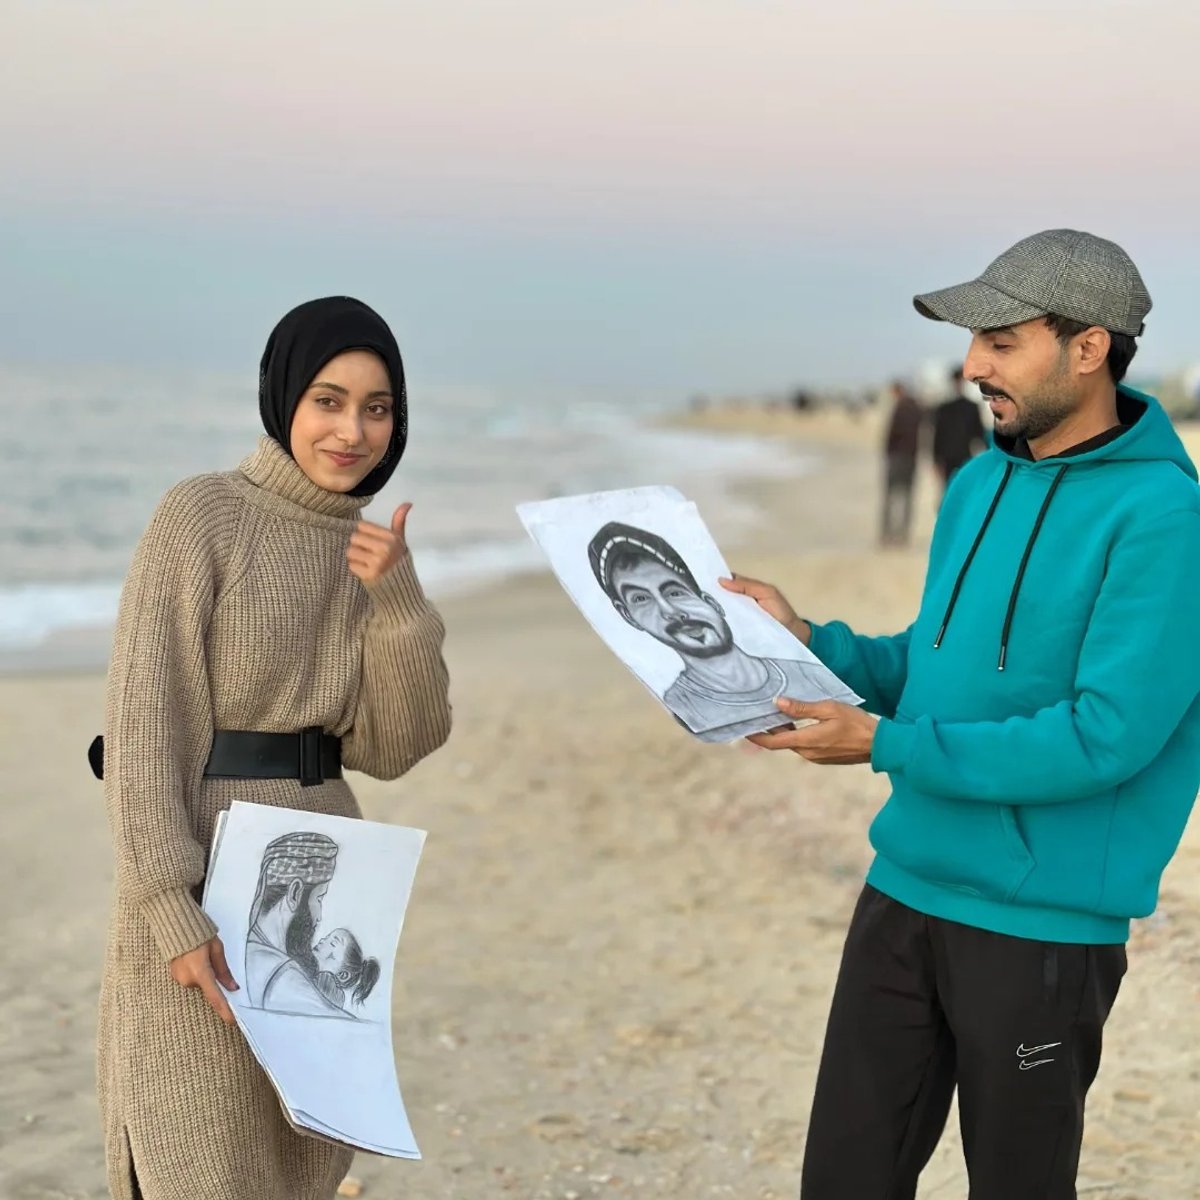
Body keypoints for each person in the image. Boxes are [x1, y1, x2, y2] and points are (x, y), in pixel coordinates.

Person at [722, 229, 1200, 1199]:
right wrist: (811, 638)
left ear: (1090, 346)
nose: (973, 364)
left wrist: (887, 744)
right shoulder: (979, 481)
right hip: (906, 886)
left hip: (1043, 926)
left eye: (1001, 339)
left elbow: (1105, 734)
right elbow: (932, 663)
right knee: (845, 1180)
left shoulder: (1166, 519)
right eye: (972, 340)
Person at [97, 296, 453, 1200]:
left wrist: (400, 604)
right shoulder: (202, 516)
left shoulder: (372, 552)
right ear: (284, 396)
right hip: (206, 877)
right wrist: (166, 905)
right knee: (194, 1149)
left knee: (298, 1160)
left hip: (328, 873)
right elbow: (146, 727)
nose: (353, 430)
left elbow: (394, 745)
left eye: (378, 408)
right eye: (329, 400)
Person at [587, 521, 836, 739]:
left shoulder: (809, 672)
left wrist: (871, 741)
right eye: (642, 599)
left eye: (675, 592)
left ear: (713, 602)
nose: (670, 611)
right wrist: (798, 633)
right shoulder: (684, 706)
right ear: (629, 617)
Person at [244, 832, 347, 1017]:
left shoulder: (253, 951)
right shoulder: (281, 979)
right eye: (319, 898)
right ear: (295, 893)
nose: (319, 917)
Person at [931, 363, 987, 495]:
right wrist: (936, 460)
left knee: (963, 491)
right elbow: (937, 435)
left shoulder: (971, 407)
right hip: (948, 458)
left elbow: (979, 434)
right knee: (949, 492)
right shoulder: (943, 408)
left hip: (964, 456)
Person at [879, 380, 924, 545]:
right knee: (907, 496)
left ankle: (887, 533)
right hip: (911, 457)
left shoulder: (899, 408)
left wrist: (887, 452)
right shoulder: (916, 408)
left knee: (890, 496)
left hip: (897, 457)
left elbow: (891, 435)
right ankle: (903, 534)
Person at [312, 927, 381, 1011]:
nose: (322, 940)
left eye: (333, 944)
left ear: (342, 975)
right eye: (326, 937)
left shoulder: (327, 988)